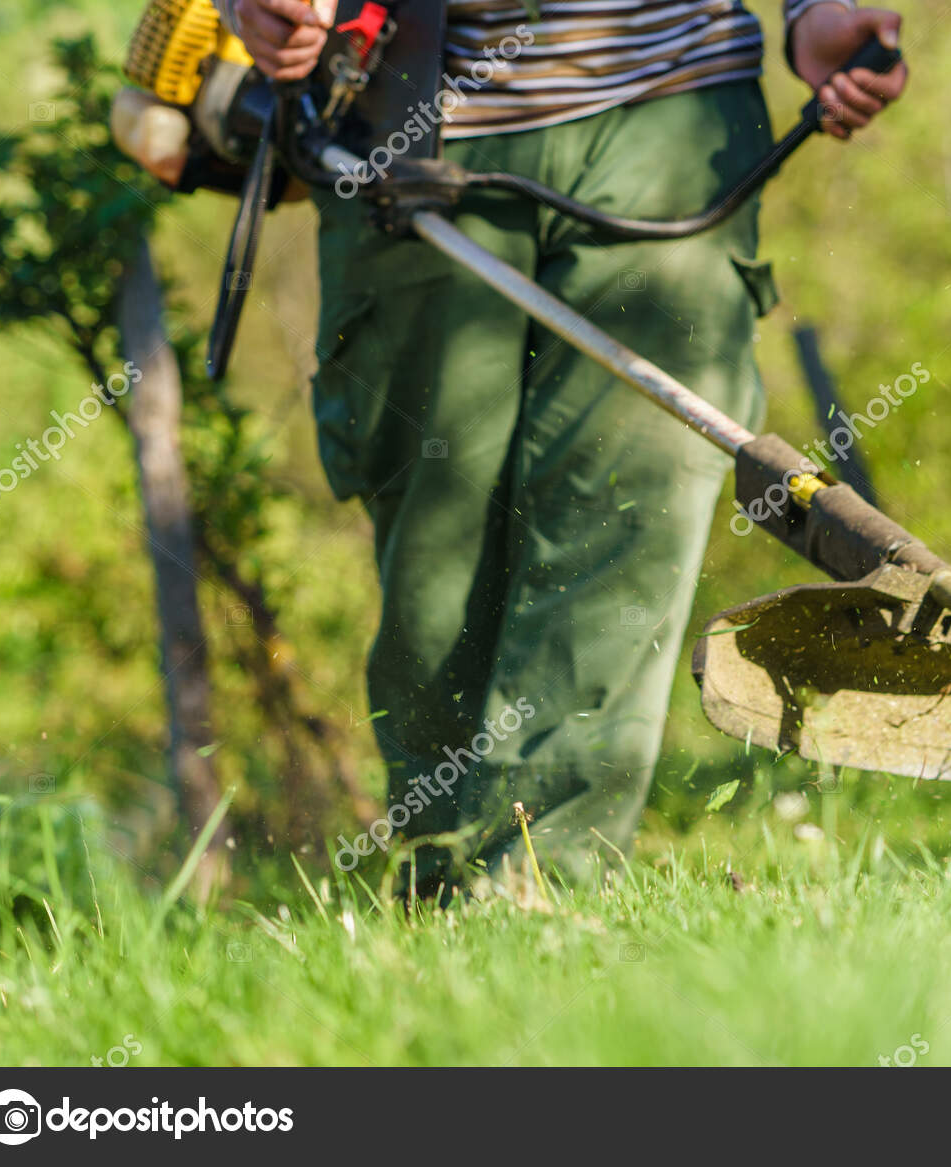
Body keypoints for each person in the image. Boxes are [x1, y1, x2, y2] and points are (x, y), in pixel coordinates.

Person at [224, 0, 908, 891]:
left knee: (627, 523)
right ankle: (435, 890)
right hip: (412, 117)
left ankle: (540, 894)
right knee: (438, 578)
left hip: (673, 106)